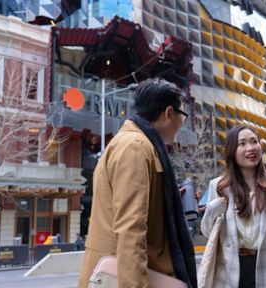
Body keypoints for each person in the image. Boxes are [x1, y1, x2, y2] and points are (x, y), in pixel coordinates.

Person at [78, 78, 197, 288]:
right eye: (183, 115)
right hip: (125, 277)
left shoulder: (133, 143)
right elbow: (130, 228)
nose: (182, 123)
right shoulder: (136, 147)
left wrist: (162, 200)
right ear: (169, 113)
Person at [201, 125, 266, 287]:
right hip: (229, 272)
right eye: (242, 143)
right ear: (232, 150)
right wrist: (216, 206)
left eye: (254, 141)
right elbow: (208, 232)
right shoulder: (219, 186)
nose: (250, 148)